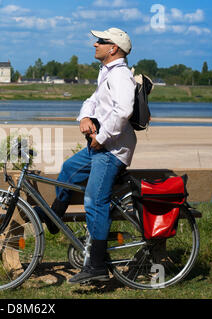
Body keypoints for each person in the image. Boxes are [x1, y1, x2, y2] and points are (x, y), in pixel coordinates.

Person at [37, 27, 137, 284]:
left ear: (113, 48)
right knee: (69, 169)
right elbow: (93, 100)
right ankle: (53, 218)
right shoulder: (107, 72)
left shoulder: (121, 76)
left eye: (100, 41)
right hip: (99, 146)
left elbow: (124, 111)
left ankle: (96, 266)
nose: (95, 44)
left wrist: (100, 138)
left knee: (94, 202)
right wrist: (84, 116)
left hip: (111, 150)